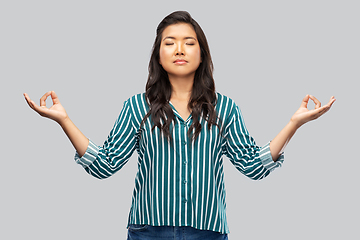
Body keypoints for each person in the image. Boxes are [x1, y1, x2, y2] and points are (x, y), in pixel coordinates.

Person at [24, 11, 335, 240]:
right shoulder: (137, 107)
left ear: (201, 55)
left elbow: (254, 166)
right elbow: (104, 165)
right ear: (159, 56)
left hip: (207, 232)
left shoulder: (224, 109)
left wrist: (294, 124)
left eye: (189, 43)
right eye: (169, 43)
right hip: (148, 231)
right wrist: (63, 119)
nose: (180, 49)